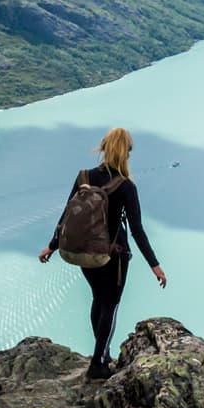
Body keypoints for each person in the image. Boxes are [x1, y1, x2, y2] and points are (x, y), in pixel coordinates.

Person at [38, 126, 167, 379]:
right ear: (126, 153)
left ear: (104, 148)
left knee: (98, 299)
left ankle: (101, 354)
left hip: (85, 252)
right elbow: (137, 230)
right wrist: (155, 265)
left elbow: (66, 215)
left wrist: (52, 246)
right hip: (113, 255)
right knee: (110, 305)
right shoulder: (126, 186)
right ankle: (98, 363)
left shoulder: (84, 176)